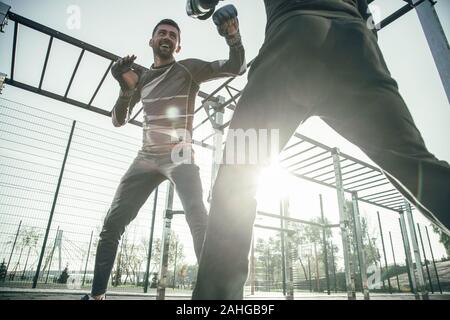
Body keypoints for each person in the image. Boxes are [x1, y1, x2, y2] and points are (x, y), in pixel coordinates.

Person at [190, 0, 450, 300]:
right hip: (357, 45)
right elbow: (370, 15)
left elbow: (199, 4)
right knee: (416, 164)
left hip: (294, 39)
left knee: (237, 177)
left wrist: (199, 7)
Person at [83, 11, 246, 300]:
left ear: (178, 47)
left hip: (180, 156)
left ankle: (217, 298)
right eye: (163, 33)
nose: (167, 37)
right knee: (111, 226)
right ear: (152, 41)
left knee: (198, 218)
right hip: (145, 158)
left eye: (173, 35)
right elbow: (118, 120)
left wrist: (232, 36)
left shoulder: (188, 69)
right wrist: (124, 89)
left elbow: (237, 67)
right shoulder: (142, 78)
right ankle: (96, 296)